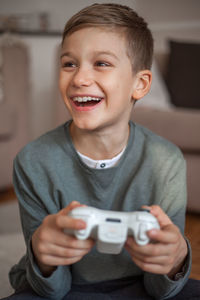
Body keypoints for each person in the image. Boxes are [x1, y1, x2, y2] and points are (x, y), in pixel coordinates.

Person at [3, 3, 200, 300]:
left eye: (101, 64)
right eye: (69, 64)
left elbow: (161, 289)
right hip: (70, 289)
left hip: (140, 286)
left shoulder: (166, 161)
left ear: (140, 83)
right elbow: (53, 290)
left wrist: (176, 259)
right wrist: (43, 256)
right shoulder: (33, 160)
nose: (79, 78)